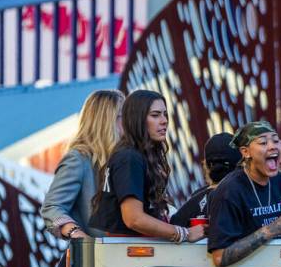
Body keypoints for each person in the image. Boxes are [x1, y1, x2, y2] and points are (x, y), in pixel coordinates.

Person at [88, 89, 205, 243]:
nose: (164, 121)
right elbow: (133, 219)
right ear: (137, 119)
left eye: (165, 114)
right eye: (155, 115)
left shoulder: (134, 154)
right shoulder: (129, 158)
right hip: (128, 254)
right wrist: (184, 233)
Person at [207, 121, 281, 267]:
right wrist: (273, 228)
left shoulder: (278, 181)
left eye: (276, 140)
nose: (272, 146)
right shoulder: (229, 191)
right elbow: (219, 258)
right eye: (263, 142)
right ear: (245, 152)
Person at [41, 89, 124, 239]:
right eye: (121, 117)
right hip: (95, 257)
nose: (128, 123)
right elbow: (52, 207)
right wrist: (78, 235)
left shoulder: (122, 159)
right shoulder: (78, 159)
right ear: (105, 121)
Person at [170, 132, 240, 228]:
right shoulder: (249, 195)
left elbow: (174, 226)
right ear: (241, 164)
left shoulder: (195, 199)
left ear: (206, 165)